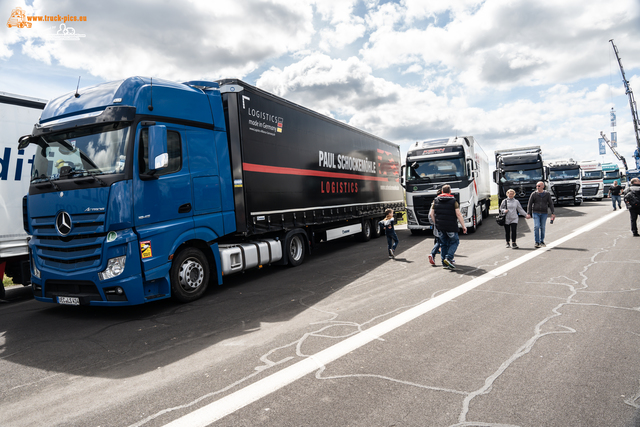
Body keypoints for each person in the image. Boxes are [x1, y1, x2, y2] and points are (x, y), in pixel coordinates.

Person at [429, 185, 467, 269]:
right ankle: (449, 258)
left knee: (443, 244)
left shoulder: (435, 201)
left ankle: (444, 263)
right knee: (455, 242)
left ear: (442, 191)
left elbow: (431, 214)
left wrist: (437, 223)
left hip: (440, 227)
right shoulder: (454, 201)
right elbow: (458, 214)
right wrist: (463, 226)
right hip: (451, 226)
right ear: (450, 192)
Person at [527, 181, 555, 248]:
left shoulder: (547, 194)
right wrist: (528, 213)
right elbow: (530, 204)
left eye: (539, 186)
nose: (537, 187)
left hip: (544, 213)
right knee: (536, 226)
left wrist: (553, 212)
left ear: (543, 186)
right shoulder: (534, 194)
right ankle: (537, 242)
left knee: (542, 227)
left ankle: (541, 241)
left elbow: (550, 203)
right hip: (535, 212)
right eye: (537, 186)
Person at [428, 188, 443, 266]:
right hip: (441, 225)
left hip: (436, 227)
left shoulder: (433, 203)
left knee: (438, 242)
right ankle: (433, 254)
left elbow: (430, 216)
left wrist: (434, 223)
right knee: (442, 242)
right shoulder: (440, 203)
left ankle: (435, 255)